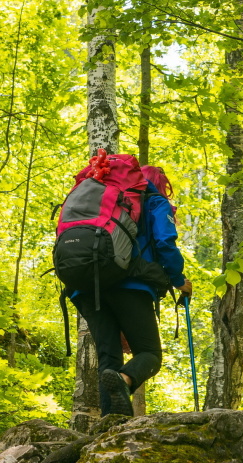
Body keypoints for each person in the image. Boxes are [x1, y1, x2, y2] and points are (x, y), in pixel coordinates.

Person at [71, 165, 192, 416]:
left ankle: (112, 425)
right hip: (130, 284)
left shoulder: (99, 199)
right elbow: (164, 242)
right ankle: (125, 381)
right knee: (149, 354)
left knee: (109, 360)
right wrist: (179, 279)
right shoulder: (154, 201)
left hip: (83, 283)